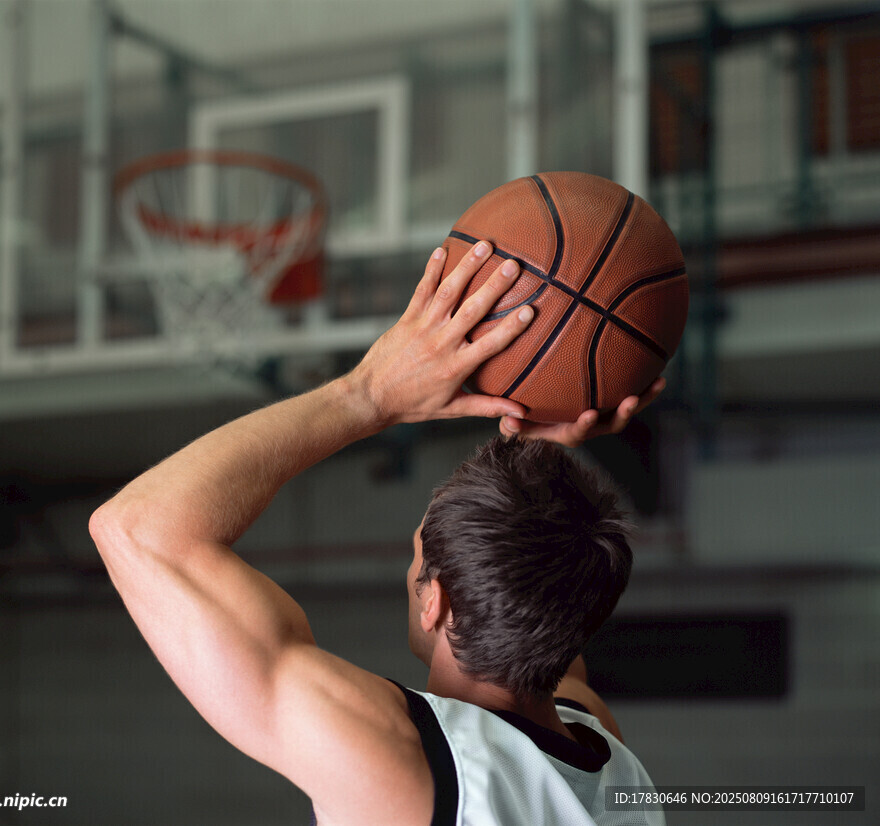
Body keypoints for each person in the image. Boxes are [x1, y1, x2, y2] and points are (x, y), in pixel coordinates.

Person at [89, 240, 666, 826]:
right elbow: (546, 603)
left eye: (417, 560)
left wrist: (368, 393)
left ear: (434, 602)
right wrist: (545, 440)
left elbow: (137, 528)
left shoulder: (401, 760)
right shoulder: (607, 761)